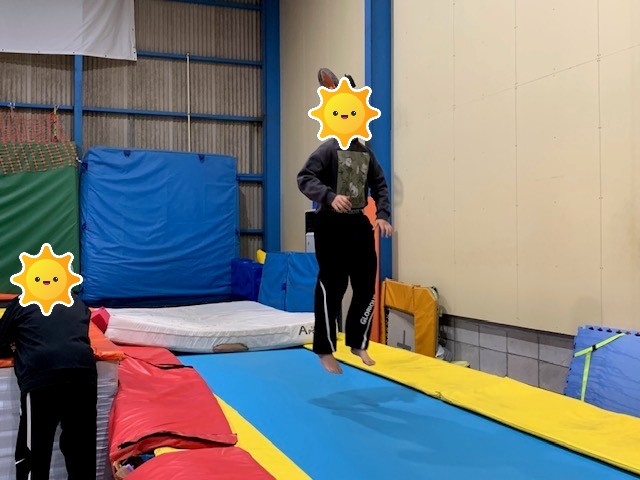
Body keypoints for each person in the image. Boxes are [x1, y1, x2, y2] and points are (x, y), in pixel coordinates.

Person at [298, 72, 393, 374]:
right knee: (333, 285)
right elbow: (304, 177)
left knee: (366, 284)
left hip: (358, 224)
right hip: (330, 224)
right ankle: (324, 349)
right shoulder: (327, 150)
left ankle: (357, 341)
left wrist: (382, 215)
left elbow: (380, 185)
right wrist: (328, 196)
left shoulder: (366, 154)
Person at [0, 292, 97, 480]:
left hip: (43, 376)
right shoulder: (77, 303)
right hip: (83, 373)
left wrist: (14, 344)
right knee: (81, 451)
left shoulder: (21, 302)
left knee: (34, 452)